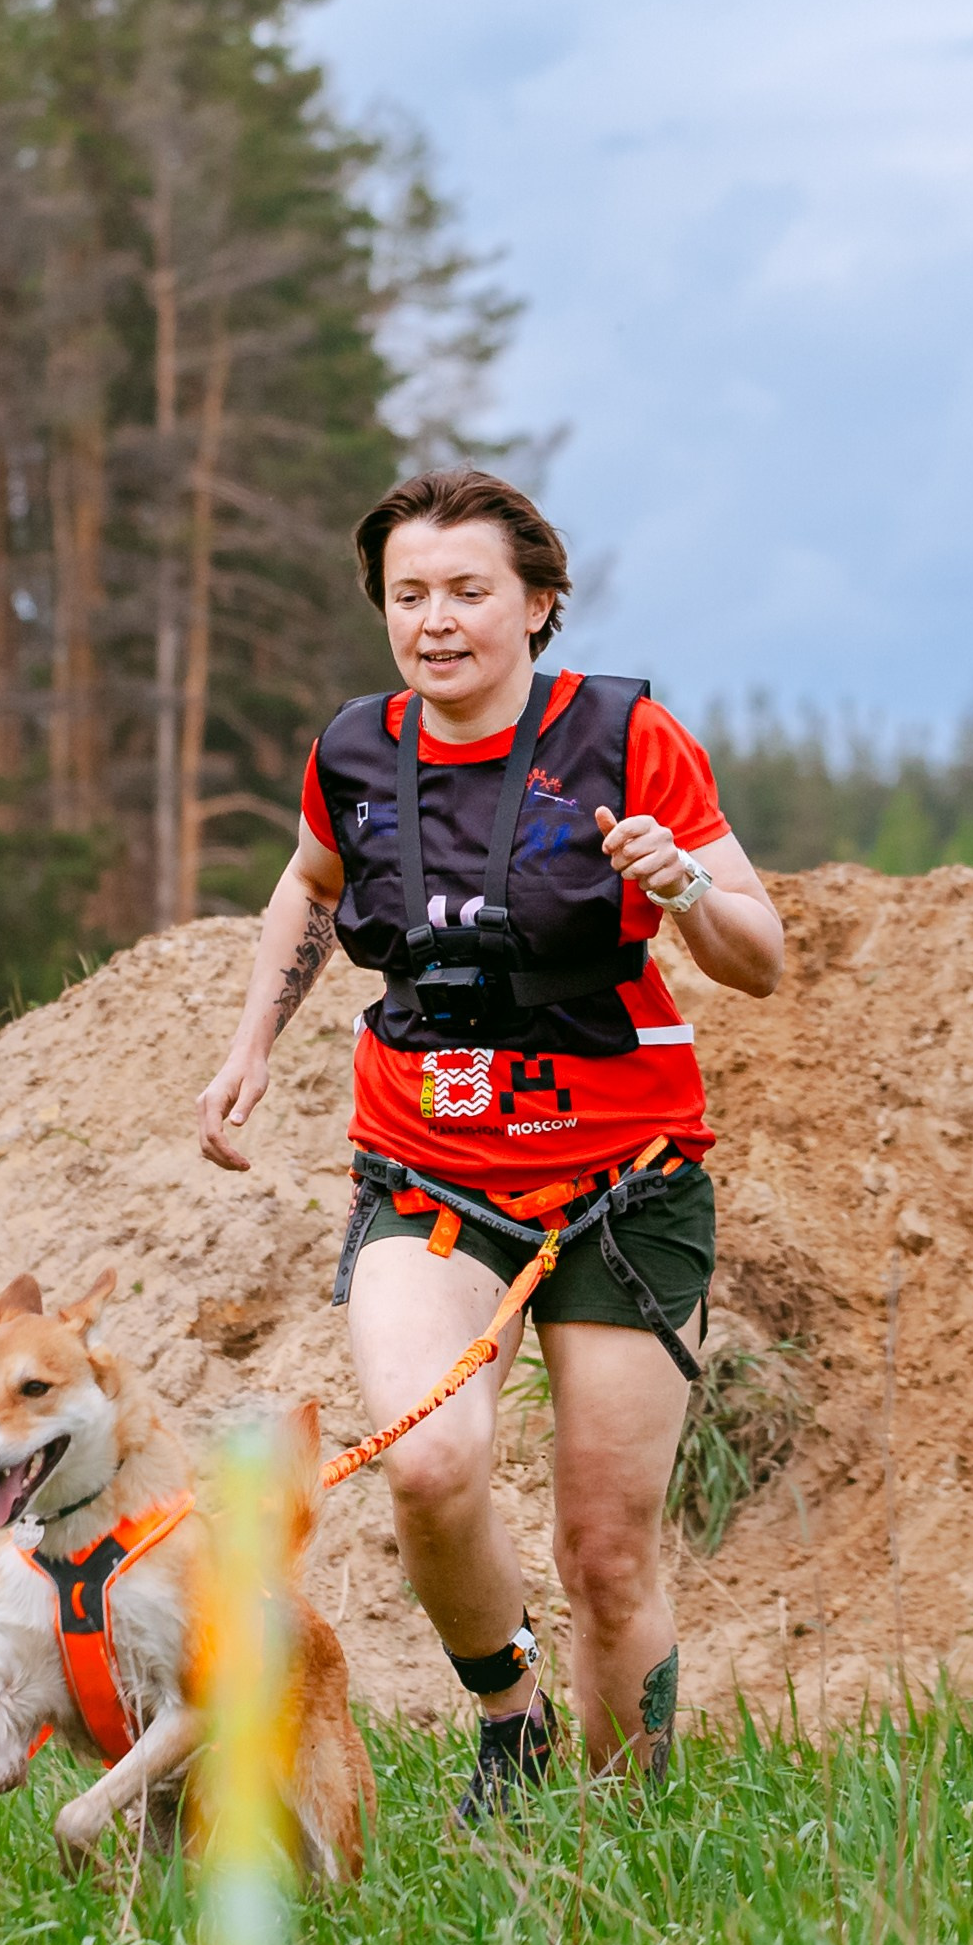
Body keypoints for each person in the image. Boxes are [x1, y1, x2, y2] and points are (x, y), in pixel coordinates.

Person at [197, 466, 783, 1821]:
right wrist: (247, 1048)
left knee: (603, 1550)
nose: (436, 620)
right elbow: (308, 879)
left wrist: (681, 884)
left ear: (536, 604)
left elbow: (759, 959)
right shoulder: (353, 751)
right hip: (429, 1164)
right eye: (409, 595)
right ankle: (507, 1723)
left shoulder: (629, 741)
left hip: (624, 1186)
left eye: (467, 591)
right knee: (427, 1460)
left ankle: (622, 1829)